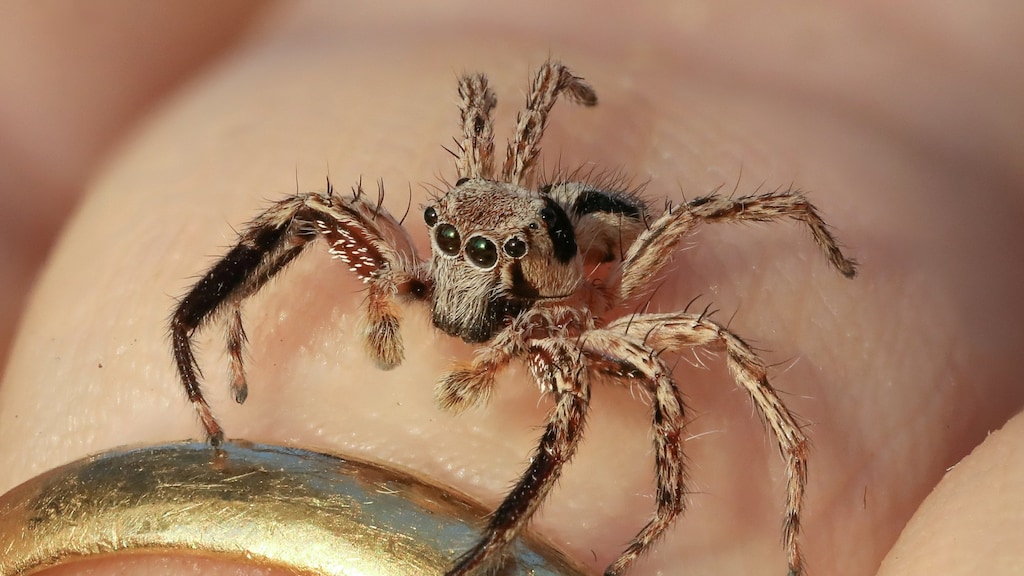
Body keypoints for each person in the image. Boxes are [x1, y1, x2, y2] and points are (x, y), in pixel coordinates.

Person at [1, 2, 1022, 574]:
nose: (450, 272)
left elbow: (673, 368)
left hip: (588, 269)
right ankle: (204, 337)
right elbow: (338, 211)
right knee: (310, 210)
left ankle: (613, 531)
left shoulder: (584, 315)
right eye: (446, 242)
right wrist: (207, 327)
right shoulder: (438, 244)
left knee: (698, 358)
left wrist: (631, 518)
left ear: (516, 258)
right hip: (529, 215)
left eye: (475, 258)